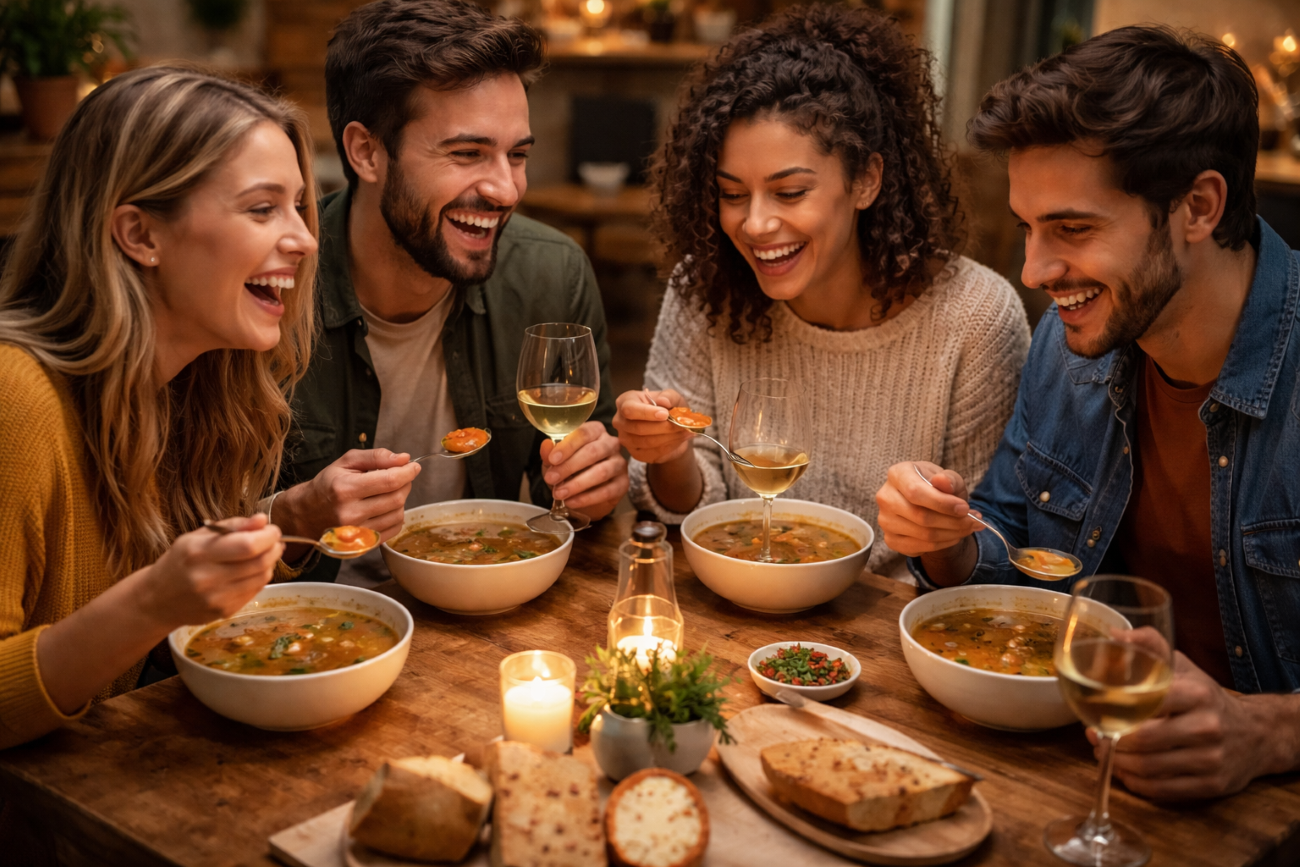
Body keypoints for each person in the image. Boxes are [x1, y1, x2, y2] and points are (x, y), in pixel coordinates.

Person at [875, 26, 1300, 798]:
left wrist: (1267, 731)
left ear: (1199, 206)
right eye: (1028, 228)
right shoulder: (1069, 344)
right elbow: (1011, 553)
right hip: (1077, 777)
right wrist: (945, 539)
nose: (1035, 270)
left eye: (1073, 228)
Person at [612, 4, 1030, 575]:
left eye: (789, 193)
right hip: (734, 600)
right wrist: (668, 453)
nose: (755, 224)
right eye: (732, 194)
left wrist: (941, 532)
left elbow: (990, 555)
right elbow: (690, 510)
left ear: (866, 181)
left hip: (897, 619)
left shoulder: (975, 317)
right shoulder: (705, 289)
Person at [0, 67, 318, 749]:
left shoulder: (194, 383)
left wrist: (294, 519)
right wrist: (151, 603)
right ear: (140, 234)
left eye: (297, 206)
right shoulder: (15, 398)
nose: (305, 238)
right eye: (262, 209)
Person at [268, 0, 627, 577]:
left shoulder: (552, 274)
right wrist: (293, 516)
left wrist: (595, 485)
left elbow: (579, 503)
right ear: (366, 152)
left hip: (484, 610)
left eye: (517, 155)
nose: (506, 190)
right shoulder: (270, 288)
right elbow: (185, 536)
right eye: (467, 154)